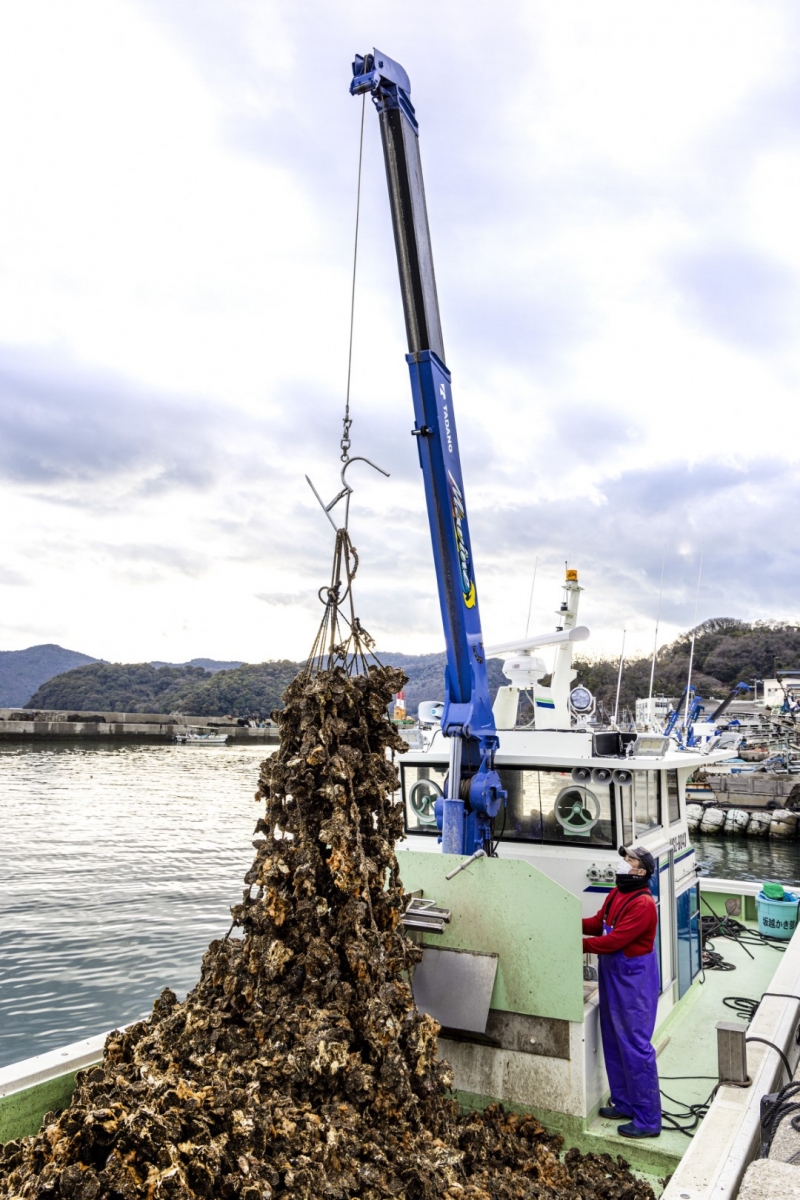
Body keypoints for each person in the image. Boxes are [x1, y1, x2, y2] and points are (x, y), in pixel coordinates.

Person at [582, 845, 662, 1139]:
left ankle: (648, 1119)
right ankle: (625, 1103)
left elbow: (614, 940)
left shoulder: (643, 904)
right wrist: (568, 923)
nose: (623, 863)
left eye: (629, 860)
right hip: (613, 975)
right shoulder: (617, 893)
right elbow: (597, 923)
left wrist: (578, 944)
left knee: (635, 1046)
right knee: (614, 1040)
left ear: (640, 871)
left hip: (633, 981)